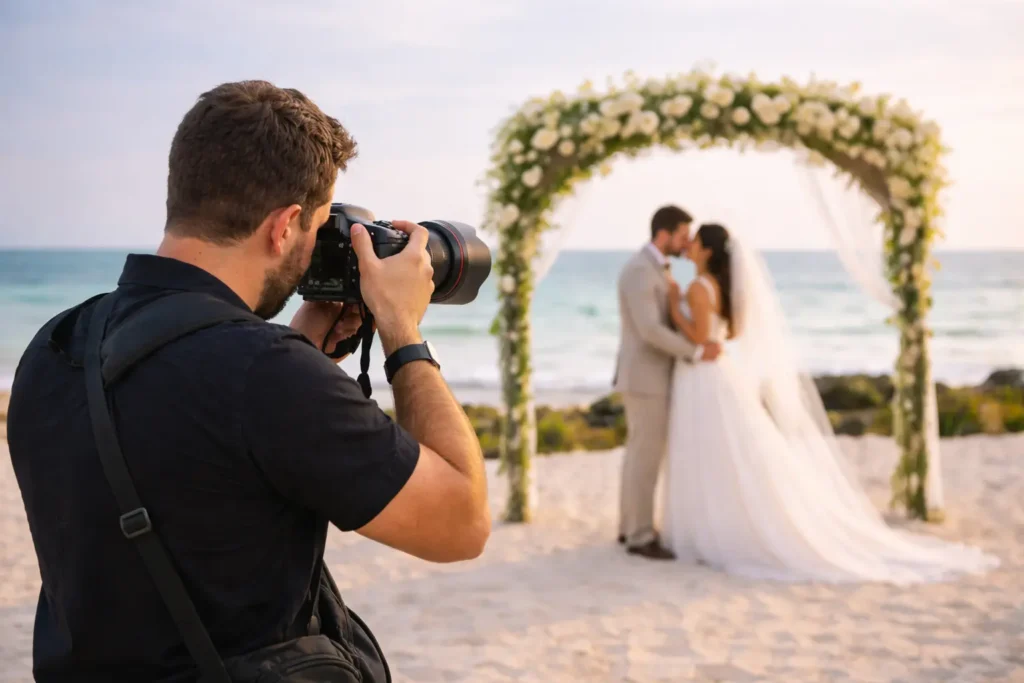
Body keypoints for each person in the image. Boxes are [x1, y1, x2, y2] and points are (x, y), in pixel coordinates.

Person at [6, 80, 490, 682]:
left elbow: (194, 459)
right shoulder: (266, 376)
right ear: (284, 225)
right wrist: (400, 328)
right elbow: (462, 522)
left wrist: (301, 351)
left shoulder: (55, 346)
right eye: (317, 228)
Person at [659, 222, 999, 583]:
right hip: (721, 372)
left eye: (695, 241)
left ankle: (713, 530)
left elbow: (697, 336)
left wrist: (673, 304)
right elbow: (735, 332)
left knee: (709, 453)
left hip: (705, 376)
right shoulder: (720, 287)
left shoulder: (697, 286)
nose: (689, 247)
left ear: (707, 250)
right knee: (729, 454)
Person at [612, 205, 722, 560]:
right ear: (664, 234)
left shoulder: (657, 268)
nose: (687, 242)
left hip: (650, 377)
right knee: (645, 458)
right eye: (683, 235)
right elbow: (649, 330)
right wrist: (694, 352)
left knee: (638, 456)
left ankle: (630, 527)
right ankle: (641, 536)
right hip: (646, 378)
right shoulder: (640, 271)